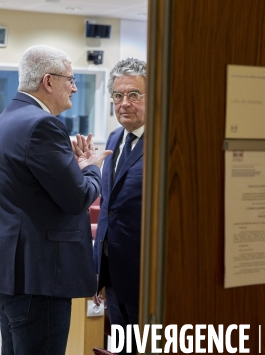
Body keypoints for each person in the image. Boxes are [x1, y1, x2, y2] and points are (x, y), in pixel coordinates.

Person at [0, 45, 112, 355]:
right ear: (49, 81)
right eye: (71, 79)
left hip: (10, 272)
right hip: (38, 278)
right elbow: (77, 198)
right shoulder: (42, 124)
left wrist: (75, 170)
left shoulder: (7, 119)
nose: (75, 88)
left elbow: (40, 189)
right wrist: (92, 169)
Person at [92, 58, 147, 353]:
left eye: (134, 95)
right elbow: (107, 209)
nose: (124, 103)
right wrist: (99, 270)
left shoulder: (162, 144)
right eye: (118, 95)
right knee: (122, 347)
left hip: (145, 275)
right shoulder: (115, 138)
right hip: (113, 274)